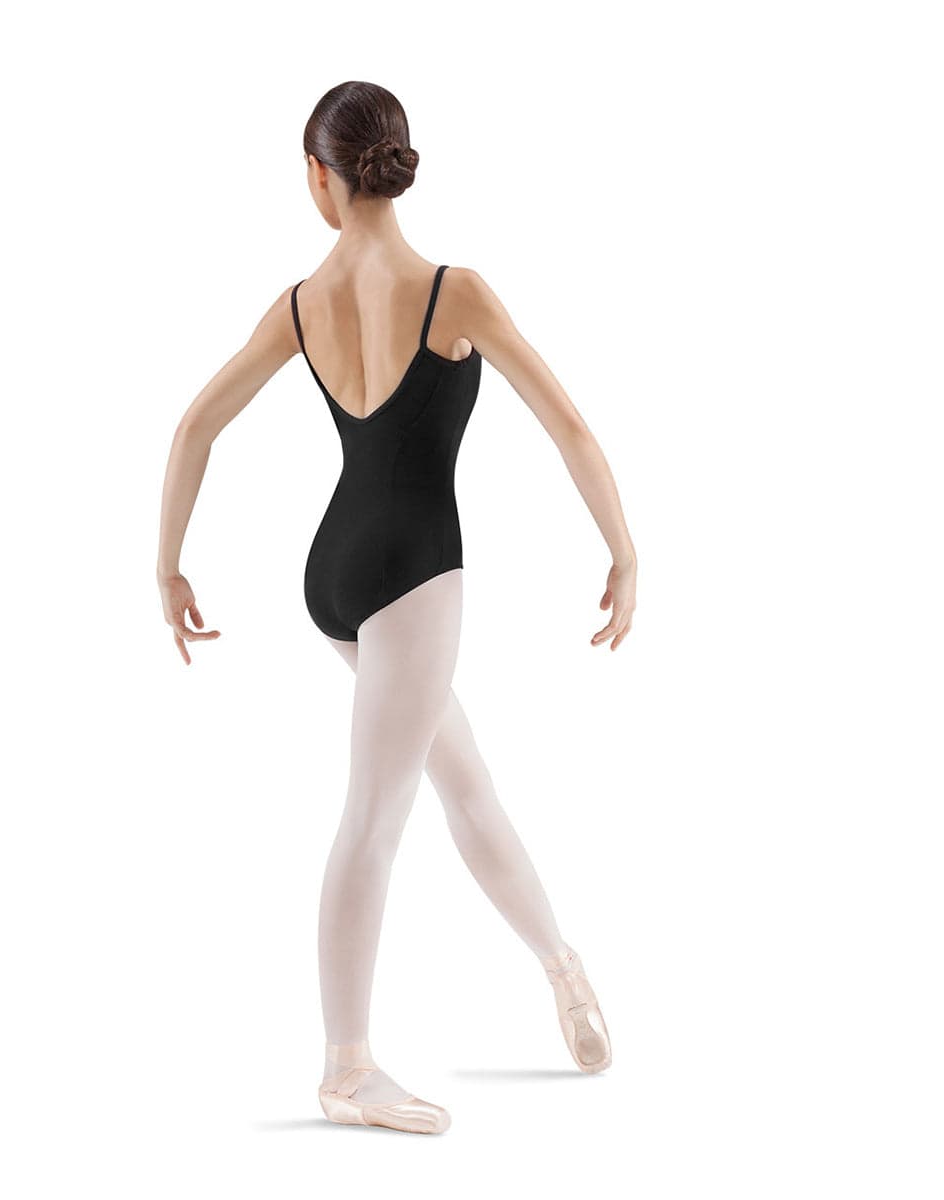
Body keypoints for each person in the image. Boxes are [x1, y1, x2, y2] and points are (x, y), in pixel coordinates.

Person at [156, 81, 637, 1135]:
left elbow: (196, 425)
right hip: (417, 577)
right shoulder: (453, 292)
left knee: (464, 784)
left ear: (320, 177)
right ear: (396, 162)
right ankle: (347, 1069)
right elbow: (570, 426)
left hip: (335, 575)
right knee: (376, 818)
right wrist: (623, 549)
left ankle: (562, 966)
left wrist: (168, 565)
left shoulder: (301, 303)